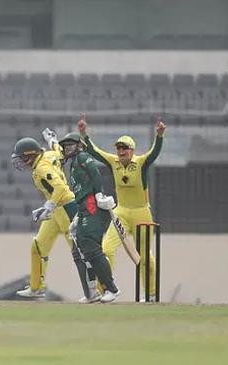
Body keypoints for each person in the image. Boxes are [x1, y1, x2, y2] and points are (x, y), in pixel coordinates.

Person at [78, 113, 165, 301]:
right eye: (118, 148)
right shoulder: (113, 162)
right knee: (106, 249)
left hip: (142, 212)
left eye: (125, 148)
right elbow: (95, 152)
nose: (121, 151)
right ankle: (106, 290)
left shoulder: (141, 163)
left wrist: (159, 136)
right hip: (121, 212)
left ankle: (150, 294)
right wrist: (84, 134)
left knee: (144, 257)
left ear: (132, 150)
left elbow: (154, 153)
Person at [10, 131, 97, 303]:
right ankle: (36, 287)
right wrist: (52, 140)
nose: (20, 161)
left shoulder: (42, 168)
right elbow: (58, 150)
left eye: (21, 157)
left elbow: (60, 188)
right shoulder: (48, 155)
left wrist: (49, 205)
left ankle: (97, 290)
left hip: (66, 208)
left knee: (80, 250)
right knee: (38, 246)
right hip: (56, 209)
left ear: (30, 156)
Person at [58, 132, 120, 303]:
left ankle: (111, 289)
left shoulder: (83, 157)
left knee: (91, 248)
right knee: (84, 248)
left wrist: (99, 194)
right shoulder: (73, 164)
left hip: (93, 205)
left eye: (70, 145)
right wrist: (78, 217)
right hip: (84, 207)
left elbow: (95, 173)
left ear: (79, 145)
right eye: (65, 146)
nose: (67, 148)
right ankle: (94, 292)